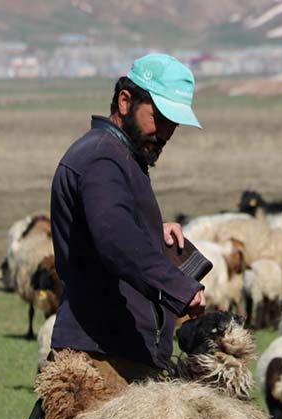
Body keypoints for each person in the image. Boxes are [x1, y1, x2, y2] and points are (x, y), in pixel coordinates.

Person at [48, 53, 208, 387]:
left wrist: (151, 231)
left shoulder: (117, 156)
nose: (165, 132)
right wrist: (180, 288)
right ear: (125, 101)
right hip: (103, 358)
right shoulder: (103, 159)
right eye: (160, 117)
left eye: (173, 123)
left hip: (114, 350)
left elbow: (106, 226)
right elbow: (116, 240)